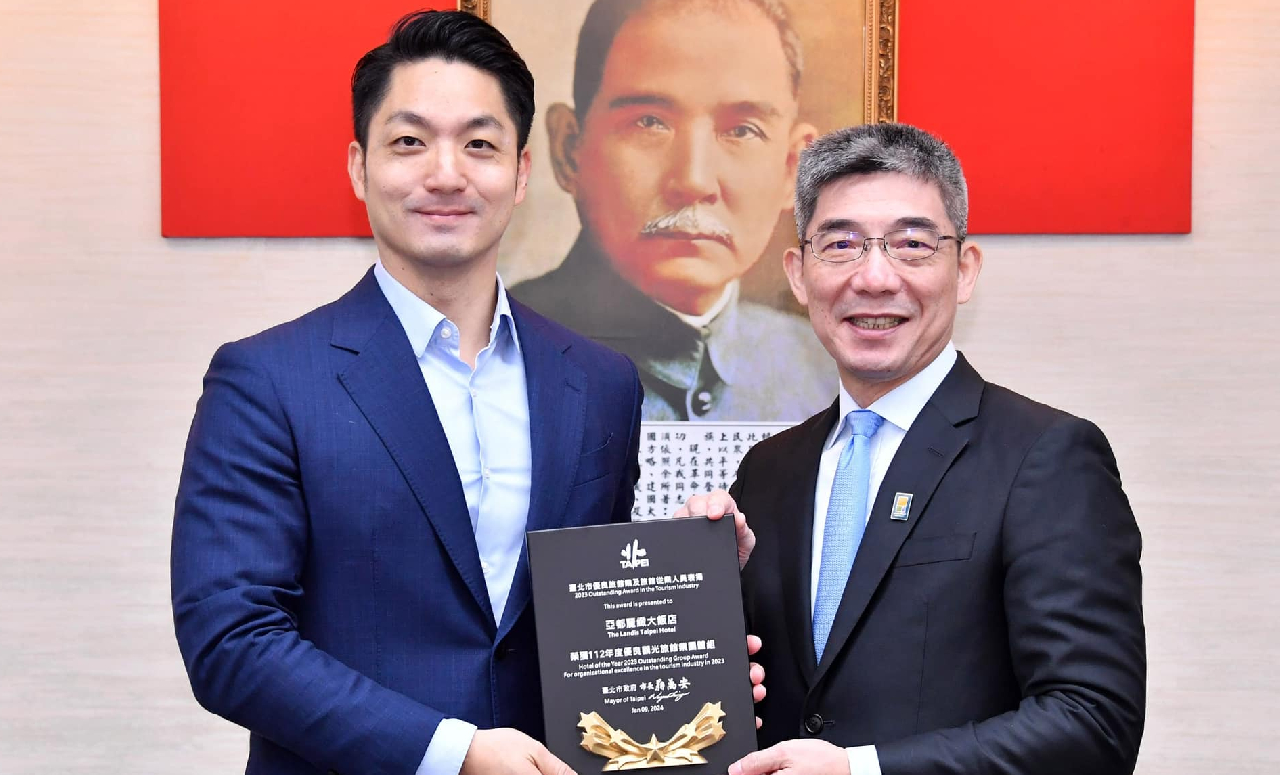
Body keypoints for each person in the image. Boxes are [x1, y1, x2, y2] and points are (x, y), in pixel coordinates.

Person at [171, 11, 756, 775]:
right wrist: (454, 752)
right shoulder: (268, 379)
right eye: (409, 142)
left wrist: (686, 589)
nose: (446, 174)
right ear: (359, 167)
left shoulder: (600, 382)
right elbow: (231, 640)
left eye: (479, 144)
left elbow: (585, 623)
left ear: (520, 173)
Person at [679, 123, 1146, 774]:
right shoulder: (769, 470)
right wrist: (701, 588)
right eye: (840, 245)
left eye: (912, 245)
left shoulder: (1047, 457)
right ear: (799, 274)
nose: (874, 277)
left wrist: (861, 769)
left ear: (965, 269)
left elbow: (1092, 722)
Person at [511, 0, 834, 421]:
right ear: (570, 150)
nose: (694, 181)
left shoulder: (826, 371)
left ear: (793, 169)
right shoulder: (498, 348)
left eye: (742, 130)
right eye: (649, 122)